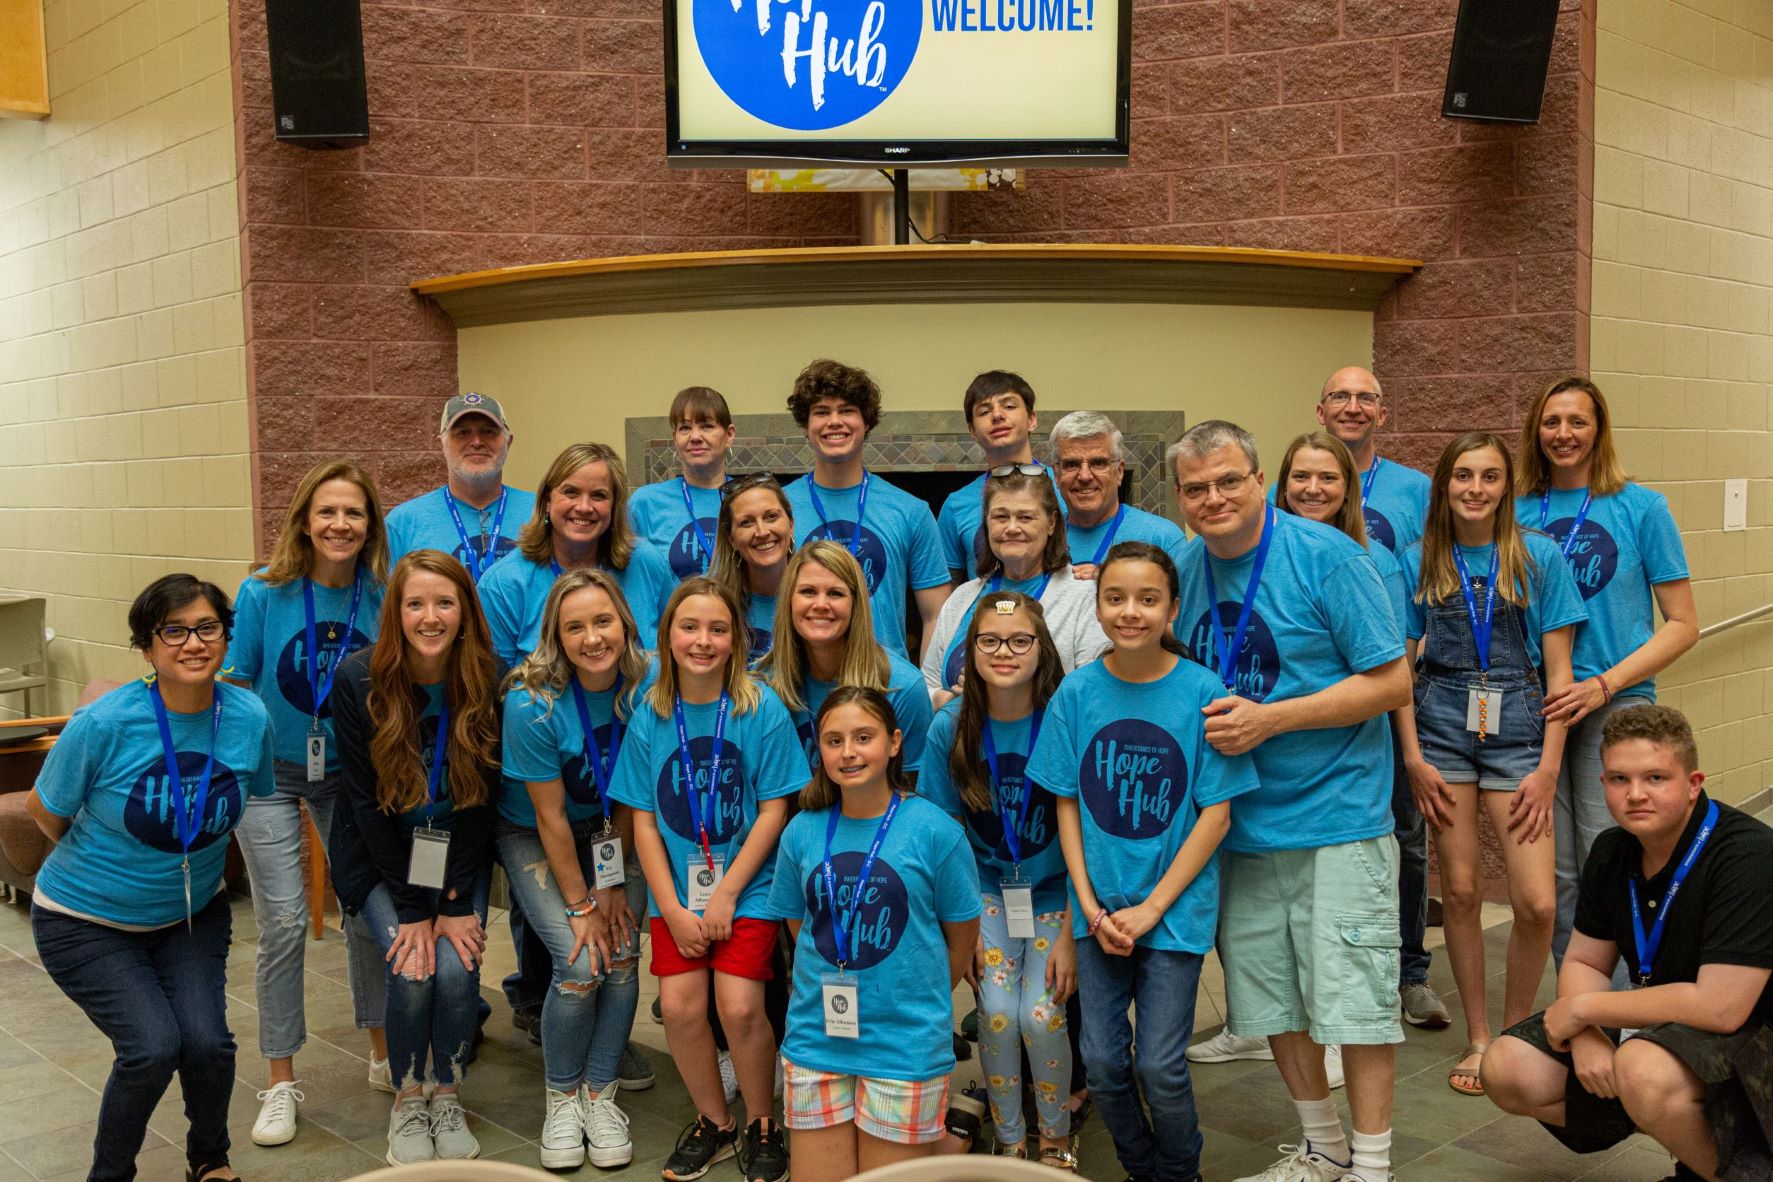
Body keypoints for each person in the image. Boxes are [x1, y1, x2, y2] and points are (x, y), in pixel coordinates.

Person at [1168, 421, 1413, 1182]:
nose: (1213, 498)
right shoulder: (1183, 567)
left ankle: (1371, 1167)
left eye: (1228, 481)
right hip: (1239, 829)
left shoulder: (1328, 556)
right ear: (1179, 498)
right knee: (1272, 1005)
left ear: (1258, 481)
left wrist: (1272, 718)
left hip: (1335, 819)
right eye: (1196, 488)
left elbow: (1392, 682)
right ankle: (1322, 1149)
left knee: (1355, 1006)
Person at [28, 574, 275, 1182]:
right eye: (174, 630)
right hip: (85, 922)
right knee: (151, 1048)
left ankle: (209, 1162)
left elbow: (252, 796)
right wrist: (113, 868)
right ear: (147, 646)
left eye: (208, 627)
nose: (193, 643)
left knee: (209, 1045)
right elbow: (44, 812)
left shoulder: (247, 716)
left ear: (226, 636)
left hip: (190, 916)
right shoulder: (106, 722)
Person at [1026, 542, 1258, 1182]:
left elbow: (1218, 813)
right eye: (1116, 598)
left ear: (1173, 608)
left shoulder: (1203, 690)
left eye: (1148, 599)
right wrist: (1089, 907)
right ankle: (1141, 1166)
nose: (1131, 612)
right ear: (1097, 605)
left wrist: (1152, 908)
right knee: (1101, 1062)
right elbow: (1066, 804)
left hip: (1174, 912)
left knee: (1160, 1063)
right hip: (1097, 916)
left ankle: (1181, 1172)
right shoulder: (1077, 692)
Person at [1482, 705, 1773, 1182]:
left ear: (1694, 782)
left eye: (1656, 777)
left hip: (1756, 1035)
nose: (1635, 794)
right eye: (1619, 779)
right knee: (1509, 1066)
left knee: (1641, 1069)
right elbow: (1583, 960)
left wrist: (1583, 1013)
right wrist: (1585, 1036)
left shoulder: (1749, 856)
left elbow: (1722, 1008)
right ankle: (1697, 1148)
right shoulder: (1613, 851)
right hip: (1679, 1027)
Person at [1396, 431, 1587, 1097]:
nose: (1474, 488)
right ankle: (1481, 1037)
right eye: (1461, 477)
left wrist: (1546, 769)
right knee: (1464, 891)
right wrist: (1413, 757)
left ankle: (1516, 1030)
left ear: (1506, 485)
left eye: (1488, 476)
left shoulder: (1536, 557)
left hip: (1520, 734)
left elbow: (1560, 674)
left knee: (1535, 902)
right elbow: (1400, 667)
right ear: (1443, 486)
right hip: (1441, 731)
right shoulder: (1421, 559)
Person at [608, 578, 806, 1182]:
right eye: (688, 627)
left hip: (746, 888)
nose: (703, 640)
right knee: (679, 1006)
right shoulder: (651, 712)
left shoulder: (759, 707)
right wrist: (668, 907)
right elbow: (641, 819)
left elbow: (774, 809)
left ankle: (762, 1123)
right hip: (677, 895)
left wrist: (725, 894)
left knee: (740, 1006)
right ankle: (714, 1121)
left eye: (718, 629)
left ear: (736, 641)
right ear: (666, 636)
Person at [227, 460, 392, 1145]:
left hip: (351, 775)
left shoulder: (383, 594)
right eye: (327, 511)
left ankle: (386, 1054)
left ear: (369, 525)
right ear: (303, 519)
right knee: (287, 922)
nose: (339, 524)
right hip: (271, 774)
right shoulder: (265, 592)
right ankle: (280, 1081)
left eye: (353, 513)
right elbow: (237, 681)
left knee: (364, 912)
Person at [1515, 376, 1698, 969]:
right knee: (1561, 874)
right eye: (1551, 422)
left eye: (1577, 421)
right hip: (1536, 710)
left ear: (1599, 430)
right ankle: (1585, 1009)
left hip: (1614, 707)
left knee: (1612, 856)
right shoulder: (1515, 511)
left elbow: (1681, 624)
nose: (1563, 433)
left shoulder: (1640, 507)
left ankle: (1633, 1013)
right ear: (1535, 431)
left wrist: (1603, 685)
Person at [766, 685, 981, 1182]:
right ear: (818, 750)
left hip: (904, 1043)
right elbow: (802, 927)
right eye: (833, 740)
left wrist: (914, 992)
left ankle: (953, 1135)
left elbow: (961, 936)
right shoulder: (802, 830)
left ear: (895, 742)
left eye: (864, 737)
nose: (848, 752)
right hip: (816, 1039)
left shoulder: (933, 830)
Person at [329, 550, 499, 1166]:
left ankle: (446, 1091)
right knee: (413, 971)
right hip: (378, 859)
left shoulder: (488, 676)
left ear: (465, 611)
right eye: (416, 603)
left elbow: (483, 802)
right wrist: (411, 909)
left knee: (456, 972)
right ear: (396, 612)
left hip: (458, 857)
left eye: (445, 603)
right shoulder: (357, 680)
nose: (431, 616)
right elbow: (364, 804)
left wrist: (451, 902)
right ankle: (408, 1096)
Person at [1276, 433, 1450, 1031]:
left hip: (1361, 750)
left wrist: (1413, 754)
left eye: (1328, 478)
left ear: (1349, 490)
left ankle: (1409, 974)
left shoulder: (1373, 558)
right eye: (1301, 477)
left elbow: (1393, 666)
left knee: (1403, 844)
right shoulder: (1264, 554)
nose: (1312, 489)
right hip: (1281, 760)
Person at [500, 569, 654, 1169]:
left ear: (625, 625)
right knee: (581, 957)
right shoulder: (531, 702)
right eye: (575, 627)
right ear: (555, 637)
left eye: (603, 621)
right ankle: (562, 1099)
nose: (593, 638)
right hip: (536, 831)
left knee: (620, 955)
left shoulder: (647, 685)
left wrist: (612, 883)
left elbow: (630, 788)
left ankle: (601, 1093)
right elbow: (550, 815)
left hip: (612, 825)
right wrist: (584, 903)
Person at [920, 591, 1079, 1167]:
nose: (1004, 651)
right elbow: (944, 838)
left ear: (1043, 650)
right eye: (989, 640)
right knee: (996, 1014)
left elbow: (1087, 834)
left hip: (1058, 896)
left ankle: (1055, 1135)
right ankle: (1011, 1139)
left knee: (1040, 1015)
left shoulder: (1065, 717)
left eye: (1019, 640)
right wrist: (960, 930)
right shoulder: (950, 728)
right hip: (985, 892)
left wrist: (1073, 932)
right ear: (970, 651)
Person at [781, 358, 952, 662]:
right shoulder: (777, 510)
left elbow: (936, 616)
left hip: (886, 682)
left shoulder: (910, 510)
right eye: (822, 412)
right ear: (806, 428)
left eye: (847, 411)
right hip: (800, 682)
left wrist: (924, 688)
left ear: (867, 423)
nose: (835, 421)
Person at [922, 469, 1109, 707]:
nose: (1011, 527)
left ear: (1051, 523)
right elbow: (926, 686)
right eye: (1000, 517)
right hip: (962, 738)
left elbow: (1092, 695)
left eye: (1025, 517)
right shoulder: (963, 597)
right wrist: (950, 700)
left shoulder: (1083, 597)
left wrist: (999, 693)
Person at [480, 441, 676, 668]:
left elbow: (679, 645)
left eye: (599, 495)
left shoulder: (645, 564)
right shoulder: (503, 585)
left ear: (614, 507)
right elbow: (497, 688)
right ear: (546, 501)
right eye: (571, 492)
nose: (584, 506)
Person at [759, 541, 934, 778]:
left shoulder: (904, 686)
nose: (820, 605)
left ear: (856, 603)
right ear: (788, 600)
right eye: (808, 591)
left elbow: (912, 795)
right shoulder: (763, 683)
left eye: (835, 593)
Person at [385, 392, 536, 579]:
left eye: (489, 431)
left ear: (508, 441)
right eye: (463, 433)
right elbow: (386, 601)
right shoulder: (403, 523)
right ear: (442, 443)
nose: (477, 442)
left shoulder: (542, 512)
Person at [936, 370, 1047, 583]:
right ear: (972, 430)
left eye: (1009, 406)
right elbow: (949, 598)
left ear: (1032, 419)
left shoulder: (1063, 488)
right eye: (984, 411)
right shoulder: (955, 506)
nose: (997, 415)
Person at [1047, 411, 1187, 581]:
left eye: (1098, 463)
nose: (1084, 476)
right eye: (1071, 464)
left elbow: (1181, 605)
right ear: (1056, 474)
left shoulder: (1162, 537)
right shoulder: (1042, 538)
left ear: (1119, 471)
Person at [1306, 366, 1430, 555]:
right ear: (1321, 413)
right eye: (1340, 396)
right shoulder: (1294, 490)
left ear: (1381, 416)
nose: (1353, 409)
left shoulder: (1418, 489)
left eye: (1366, 398)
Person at [630, 386, 739, 580]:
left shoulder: (749, 499)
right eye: (685, 428)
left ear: (729, 435)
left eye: (706, 426)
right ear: (675, 438)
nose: (695, 437)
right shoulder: (644, 503)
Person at [709, 473, 795, 665]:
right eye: (746, 522)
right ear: (732, 539)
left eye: (771, 517)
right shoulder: (713, 602)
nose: (762, 532)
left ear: (791, 525)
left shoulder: (814, 598)